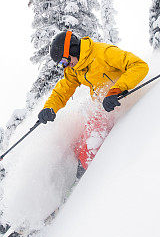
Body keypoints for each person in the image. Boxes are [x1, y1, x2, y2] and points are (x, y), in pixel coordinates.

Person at [37, 30, 149, 177]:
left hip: (119, 102)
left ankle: (86, 183)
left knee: (90, 143)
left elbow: (140, 66)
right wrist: (49, 107)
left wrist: (117, 90)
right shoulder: (75, 68)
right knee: (76, 142)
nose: (66, 66)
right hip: (103, 106)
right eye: (62, 65)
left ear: (72, 49)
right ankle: (74, 177)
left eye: (65, 61)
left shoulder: (103, 53)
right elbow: (62, 90)